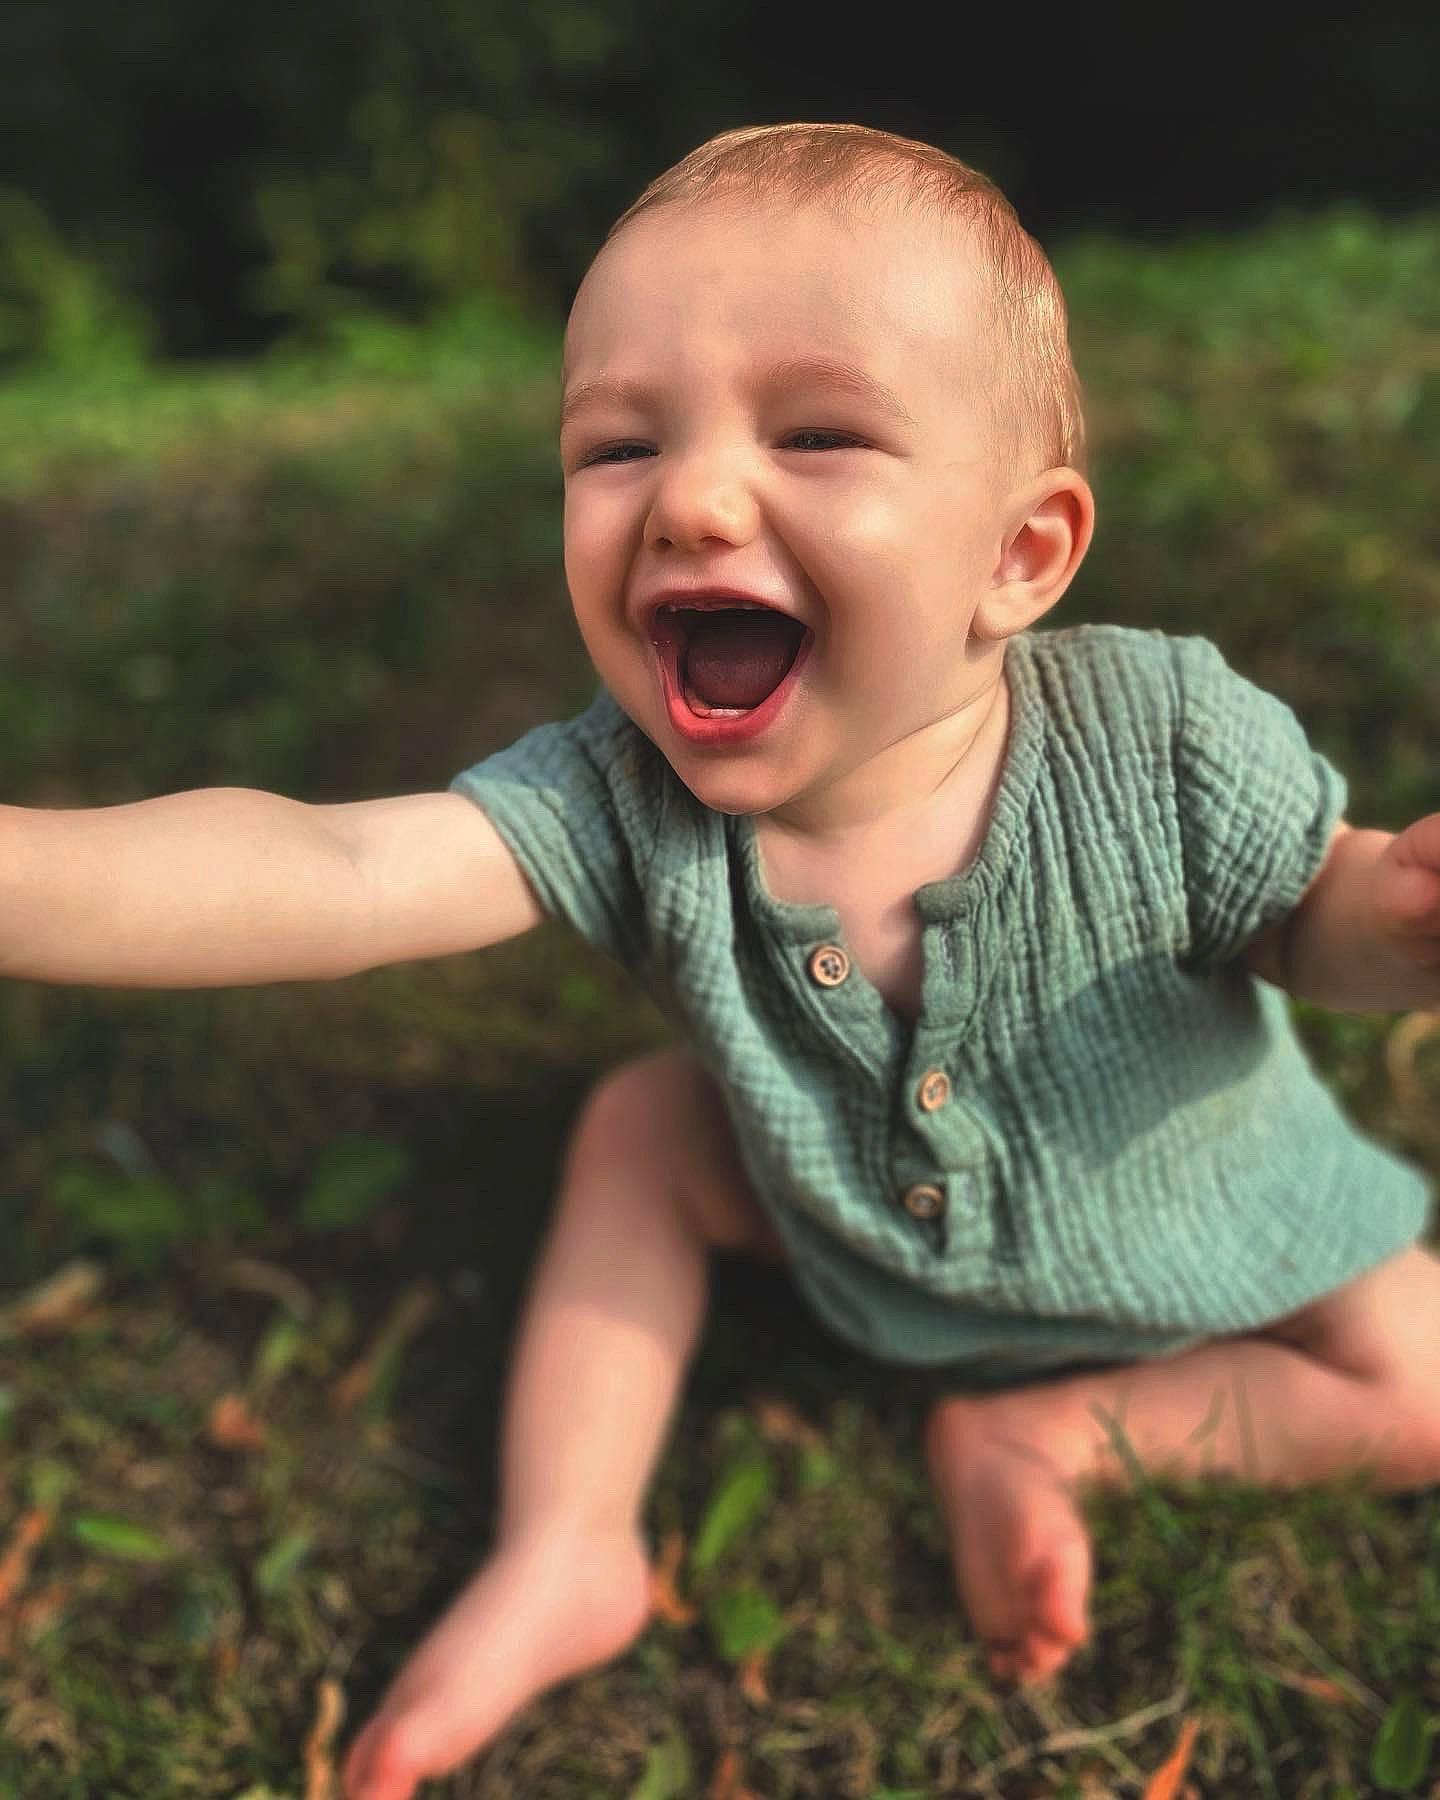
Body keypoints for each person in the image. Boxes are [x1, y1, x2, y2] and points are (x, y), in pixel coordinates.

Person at [4, 123, 1438, 1800]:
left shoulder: (1166, 739)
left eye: (818, 432)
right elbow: (329, 866)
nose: (687, 497)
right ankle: (567, 1543)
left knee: (1426, 1381)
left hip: (1202, 1223)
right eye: (617, 446)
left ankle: (1040, 1437)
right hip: (850, 1248)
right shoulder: (619, 796)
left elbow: (1304, 914)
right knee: (641, 1133)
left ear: (1018, 556)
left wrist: (1397, 919)